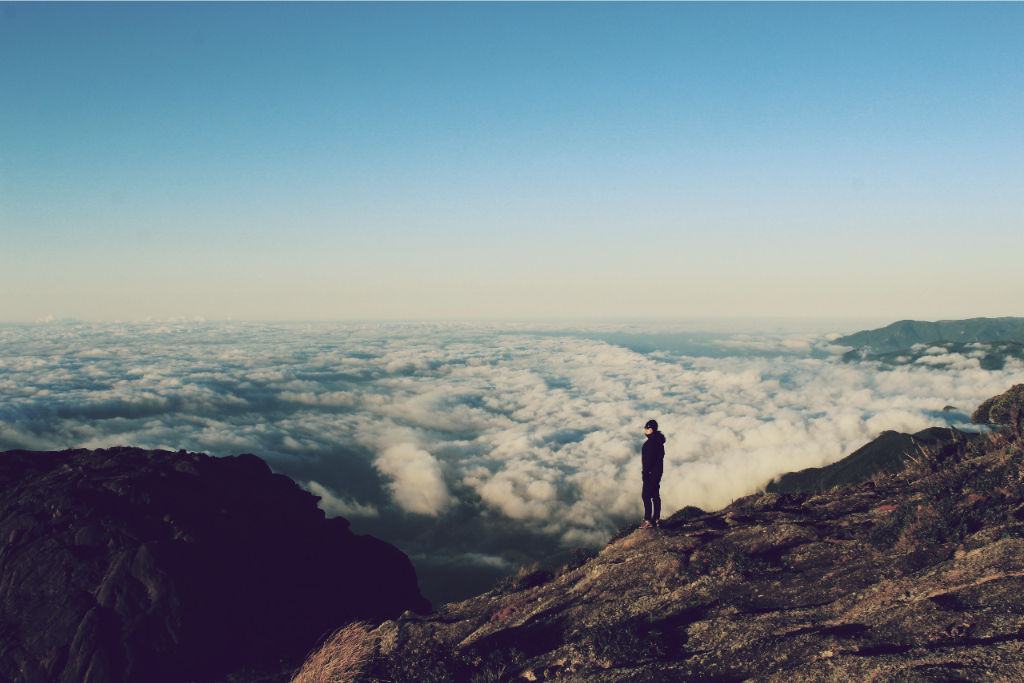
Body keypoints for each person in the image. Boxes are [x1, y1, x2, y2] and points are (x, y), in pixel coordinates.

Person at [640, 419, 665, 529]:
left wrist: (645, 473)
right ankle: (656, 518)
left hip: (650, 473)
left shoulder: (649, 444)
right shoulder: (659, 441)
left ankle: (648, 520)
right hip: (658, 472)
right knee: (655, 495)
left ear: (652, 429)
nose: (645, 429)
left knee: (646, 495)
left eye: (647, 427)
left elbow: (648, 461)